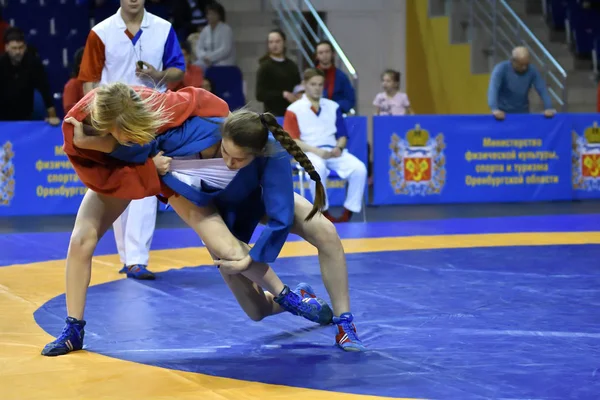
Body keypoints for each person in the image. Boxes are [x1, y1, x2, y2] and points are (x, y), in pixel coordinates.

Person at [41, 83, 364, 356]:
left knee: (325, 231)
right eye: (225, 154)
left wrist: (255, 257)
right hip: (184, 195)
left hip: (246, 195)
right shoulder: (140, 138)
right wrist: (122, 154)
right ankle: (73, 329)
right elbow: (129, 157)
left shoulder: (240, 138)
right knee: (255, 311)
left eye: (238, 158)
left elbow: (279, 215)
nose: (228, 162)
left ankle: (342, 320)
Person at [79, 0, 186, 280]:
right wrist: (93, 119)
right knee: (118, 180)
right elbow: (89, 80)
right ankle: (127, 257)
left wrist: (158, 74)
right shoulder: (101, 32)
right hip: (113, 120)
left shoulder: (163, 28)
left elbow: (178, 69)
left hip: (151, 116)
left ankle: (138, 258)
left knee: (146, 176)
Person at [284, 68, 367, 223]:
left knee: (359, 168)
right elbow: (292, 140)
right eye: (313, 84)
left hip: (333, 150)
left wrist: (339, 148)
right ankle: (324, 212)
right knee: (318, 169)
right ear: (305, 85)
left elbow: (342, 135)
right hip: (308, 151)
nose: (317, 88)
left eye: (320, 84)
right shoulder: (293, 109)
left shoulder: (333, 106)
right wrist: (317, 151)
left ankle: (348, 212)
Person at [487, 46, 555, 120]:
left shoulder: (532, 70)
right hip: (502, 113)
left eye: (526, 64)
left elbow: (542, 89)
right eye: (521, 65)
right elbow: (493, 89)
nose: (524, 67)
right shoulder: (501, 69)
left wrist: (548, 107)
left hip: (523, 113)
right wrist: (494, 109)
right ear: (513, 61)